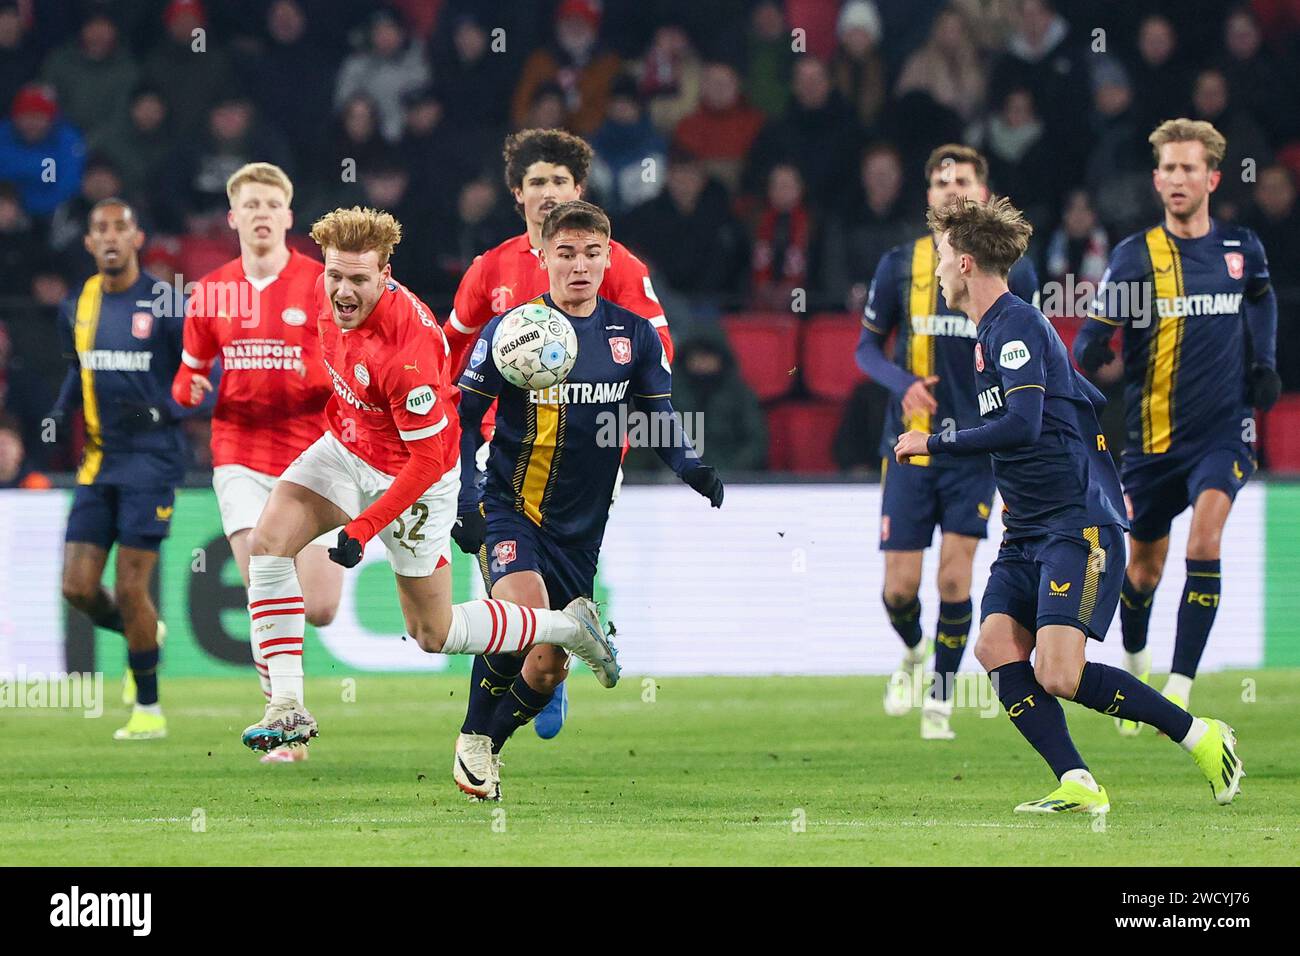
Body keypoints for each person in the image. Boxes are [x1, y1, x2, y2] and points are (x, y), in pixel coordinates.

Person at [894, 195, 1243, 814]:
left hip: (1074, 528)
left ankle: (1200, 734)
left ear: (968, 262)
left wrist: (936, 440)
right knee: (995, 645)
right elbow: (1071, 400)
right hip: (1026, 527)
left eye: (944, 256)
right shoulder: (994, 332)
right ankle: (1078, 781)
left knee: (1060, 673)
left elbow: (1023, 425)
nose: (938, 269)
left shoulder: (1016, 324)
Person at [239, 206, 618, 757]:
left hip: (415, 478)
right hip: (346, 449)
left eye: (358, 280)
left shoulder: (408, 351)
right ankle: (288, 708)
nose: (342, 291)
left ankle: (566, 629)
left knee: (431, 633)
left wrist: (364, 529)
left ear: (386, 275)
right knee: (268, 543)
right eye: (334, 276)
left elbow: (427, 459)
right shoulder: (326, 302)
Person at [450, 200, 723, 800]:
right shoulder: (512, 331)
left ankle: (490, 743)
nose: (579, 265)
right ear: (543, 256)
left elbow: (657, 419)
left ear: (608, 257)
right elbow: (465, 415)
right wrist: (468, 499)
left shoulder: (634, 336)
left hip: (581, 530)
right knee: (522, 619)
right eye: (566, 254)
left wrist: (693, 467)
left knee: (547, 667)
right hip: (511, 505)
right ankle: (471, 739)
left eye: (591, 254)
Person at [443, 128, 674, 740]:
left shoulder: (613, 261)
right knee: (514, 588)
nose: (549, 193)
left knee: (561, 577)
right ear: (517, 192)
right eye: (537, 182)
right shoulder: (489, 268)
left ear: (579, 189)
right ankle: (509, 701)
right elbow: (451, 352)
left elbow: (657, 350)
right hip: (506, 450)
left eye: (561, 182)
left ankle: (548, 668)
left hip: (589, 452)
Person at [1072, 119, 1279, 730]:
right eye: (1168, 168)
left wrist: (1264, 364)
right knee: (1142, 573)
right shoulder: (1135, 256)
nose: (1178, 178)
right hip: (1152, 441)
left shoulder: (1241, 251)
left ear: (1213, 177)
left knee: (1205, 542)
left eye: (1190, 168)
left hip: (1224, 432)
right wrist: (1090, 351)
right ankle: (1137, 669)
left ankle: (1181, 687)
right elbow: (1092, 330)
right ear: (1157, 179)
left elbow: (1263, 298)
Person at [854, 144, 1039, 740]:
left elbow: (1027, 356)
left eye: (962, 180)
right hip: (910, 446)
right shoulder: (898, 266)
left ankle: (939, 696)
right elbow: (864, 350)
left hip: (978, 451)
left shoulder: (1014, 270)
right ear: (928, 195)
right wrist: (905, 382)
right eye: (940, 182)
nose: (951, 189)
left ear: (983, 193)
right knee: (898, 589)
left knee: (955, 580)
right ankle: (912, 651)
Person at [170, 163, 343, 762]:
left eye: (273, 203)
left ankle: (285, 706)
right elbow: (189, 375)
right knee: (261, 585)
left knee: (318, 607)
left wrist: (310, 377)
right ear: (233, 217)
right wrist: (186, 392)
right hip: (240, 454)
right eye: (252, 205)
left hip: (315, 455)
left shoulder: (322, 285)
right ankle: (284, 725)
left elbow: (350, 368)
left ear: (289, 217)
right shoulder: (210, 291)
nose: (262, 213)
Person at [49, 198, 191, 741]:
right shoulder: (76, 306)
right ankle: (146, 636)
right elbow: (76, 371)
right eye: (100, 229)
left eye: (120, 228)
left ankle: (149, 712)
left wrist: (166, 409)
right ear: (88, 242)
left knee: (131, 586)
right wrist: (60, 412)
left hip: (151, 464)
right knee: (78, 588)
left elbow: (208, 377)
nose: (110, 237)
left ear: (138, 238)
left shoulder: (167, 303)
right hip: (98, 463)